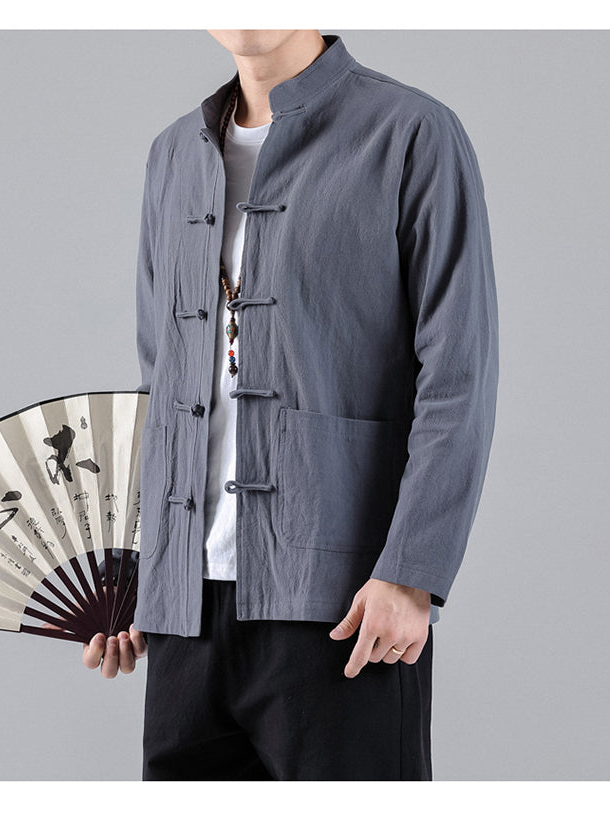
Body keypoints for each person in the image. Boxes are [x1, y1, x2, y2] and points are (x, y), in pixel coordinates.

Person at [84, 30, 498, 780]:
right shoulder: (173, 154)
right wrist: (142, 569)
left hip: (345, 600)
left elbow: (458, 375)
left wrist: (412, 572)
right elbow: (162, 378)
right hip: (187, 614)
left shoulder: (411, 131)